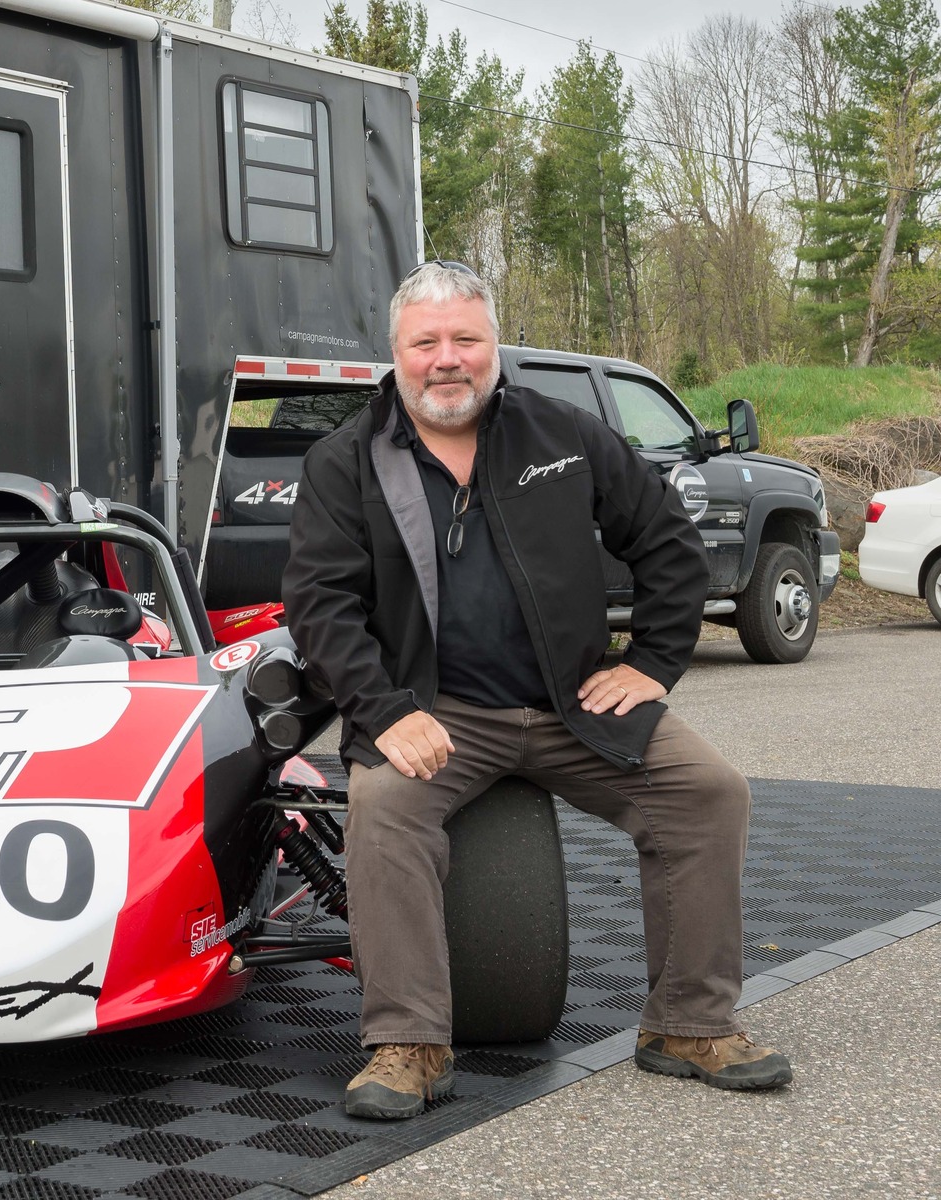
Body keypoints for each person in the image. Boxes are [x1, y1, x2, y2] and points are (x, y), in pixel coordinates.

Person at [281, 262, 791, 1121]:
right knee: (383, 809)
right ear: (396, 352)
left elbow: (667, 539)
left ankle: (687, 1024)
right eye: (427, 342)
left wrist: (652, 660)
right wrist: (385, 710)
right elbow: (320, 604)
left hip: (572, 705)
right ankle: (409, 1043)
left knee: (709, 794)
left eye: (467, 338)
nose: (448, 359)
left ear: (495, 345)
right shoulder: (347, 462)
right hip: (436, 711)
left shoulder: (564, 433)